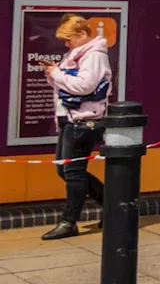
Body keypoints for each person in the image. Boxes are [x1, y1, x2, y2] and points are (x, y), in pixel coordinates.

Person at [38, 15, 112, 240]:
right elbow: (66, 84)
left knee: (73, 172)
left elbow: (83, 86)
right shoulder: (77, 54)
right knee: (65, 169)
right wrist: (53, 74)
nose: (66, 44)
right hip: (71, 119)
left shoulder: (94, 55)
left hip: (85, 121)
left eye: (68, 39)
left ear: (82, 35)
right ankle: (114, 206)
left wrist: (57, 74)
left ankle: (69, 222)